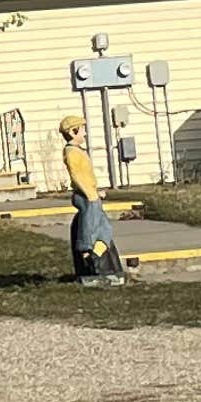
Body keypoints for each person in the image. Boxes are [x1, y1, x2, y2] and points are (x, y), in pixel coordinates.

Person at [58, 114, 129, 284]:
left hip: (92, 194)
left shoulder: (78, 151)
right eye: (82, 130)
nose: (85, 133)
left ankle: (95, 257)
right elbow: (76, 176)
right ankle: (86, 255)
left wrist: (96, 191)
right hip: (86, 196)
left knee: (104, 229)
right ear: (73, 132)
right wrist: (90, 194)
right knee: (89, 229)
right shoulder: (71, 152)